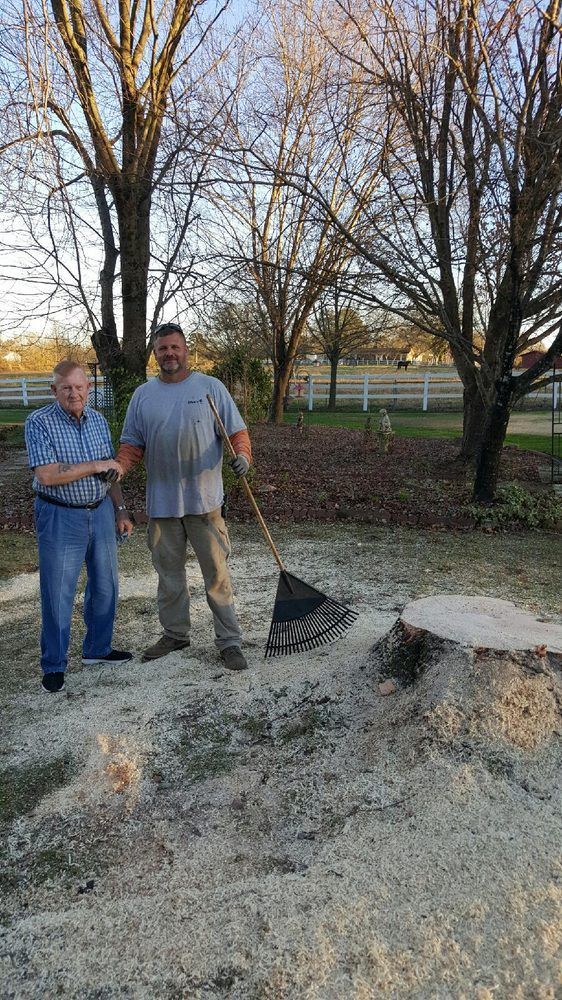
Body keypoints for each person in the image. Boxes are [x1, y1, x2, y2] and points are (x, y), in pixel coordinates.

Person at [116, 322, 252, 670]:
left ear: (186, 349)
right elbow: (132, 445)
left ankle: (230, 641)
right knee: (169, 576)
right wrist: (118, 467)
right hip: (162, 506)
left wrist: (243, 457)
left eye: (175, 347)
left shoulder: (210, 388)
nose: (169, 354)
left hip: (205, 503)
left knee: (217, 576)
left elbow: (236, 432)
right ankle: (175, 634)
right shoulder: (143, 395)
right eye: (162, 349)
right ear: (155, 353)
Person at [24, 361, 134, 694]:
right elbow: (47, 474)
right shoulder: (38, 422)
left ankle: (97, 649)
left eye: (80, 387)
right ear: (54, 390)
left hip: (100, 512)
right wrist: (97, 465)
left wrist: (121, 509)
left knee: (106, 586)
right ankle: (54, 664)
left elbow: (110, 472)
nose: (74, 393)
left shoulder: (98, 421)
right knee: (58, 593)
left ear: (88, 388)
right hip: (60, 516)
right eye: (66, 387)